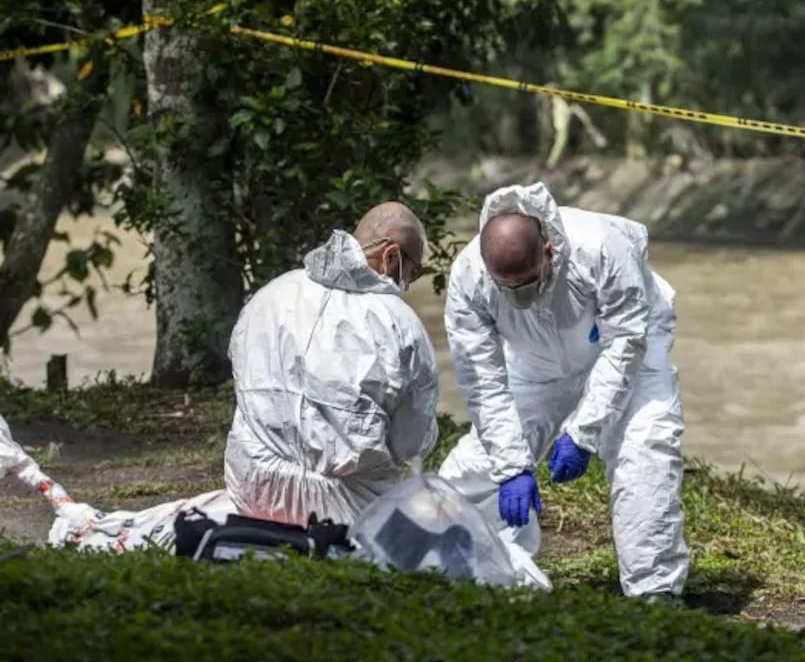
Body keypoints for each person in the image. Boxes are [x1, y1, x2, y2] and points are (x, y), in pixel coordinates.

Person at [438, 182, 689, 601]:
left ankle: (654, 597)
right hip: (533, 363)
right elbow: (482, 379)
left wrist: (583, 432)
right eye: (506, 286)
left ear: (549, 251)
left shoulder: (603, 248)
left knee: (644, 453)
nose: (518, 296)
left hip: (631, 353)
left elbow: (625, 342)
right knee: (476, 469)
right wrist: (512, 464)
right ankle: (448, 563)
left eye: (527, 282)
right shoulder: (468, 278)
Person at [223, 201, 440, 527]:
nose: (409, 282)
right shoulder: (399, 323)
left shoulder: (270, 294)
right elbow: (412, 443)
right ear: (391, 257)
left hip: (252, 487)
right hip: (346, 507)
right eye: (414, 271)